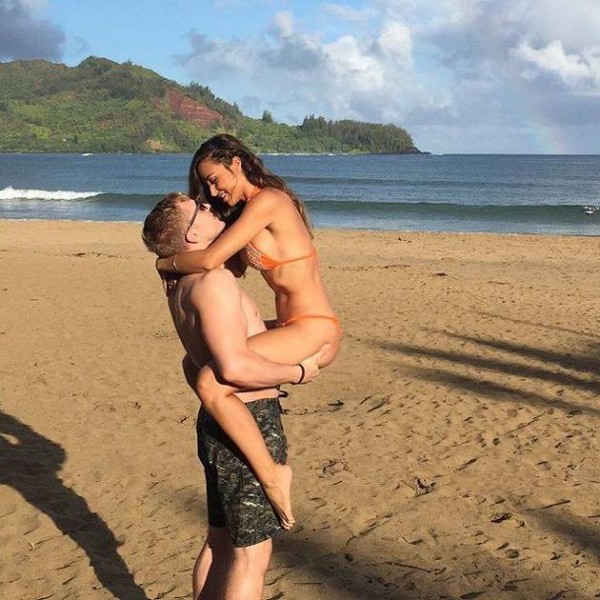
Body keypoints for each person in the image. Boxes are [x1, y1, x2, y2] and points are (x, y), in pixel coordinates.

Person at [142, 193, 324, 600]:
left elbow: (205, 356)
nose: (210, 207)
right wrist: (297, 372)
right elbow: (234, 367)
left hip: (217, 423)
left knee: (221, 542)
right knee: (251, 555)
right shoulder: (214, 281)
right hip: (248, 421)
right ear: (192, 235)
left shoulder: (182, 286)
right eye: (200, 209)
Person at [156, 134, 341, 529]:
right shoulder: (246, 213)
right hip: (288, 325)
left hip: (314, 327)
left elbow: (210, 259)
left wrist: (165, 264)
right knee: (194, 363)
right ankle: (235, 434)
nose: (212, 190)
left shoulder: (270, 201)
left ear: (236, 163)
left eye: (214, 179)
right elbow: (225, 266)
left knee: (211, 381)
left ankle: (273, 476)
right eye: (205, 185)